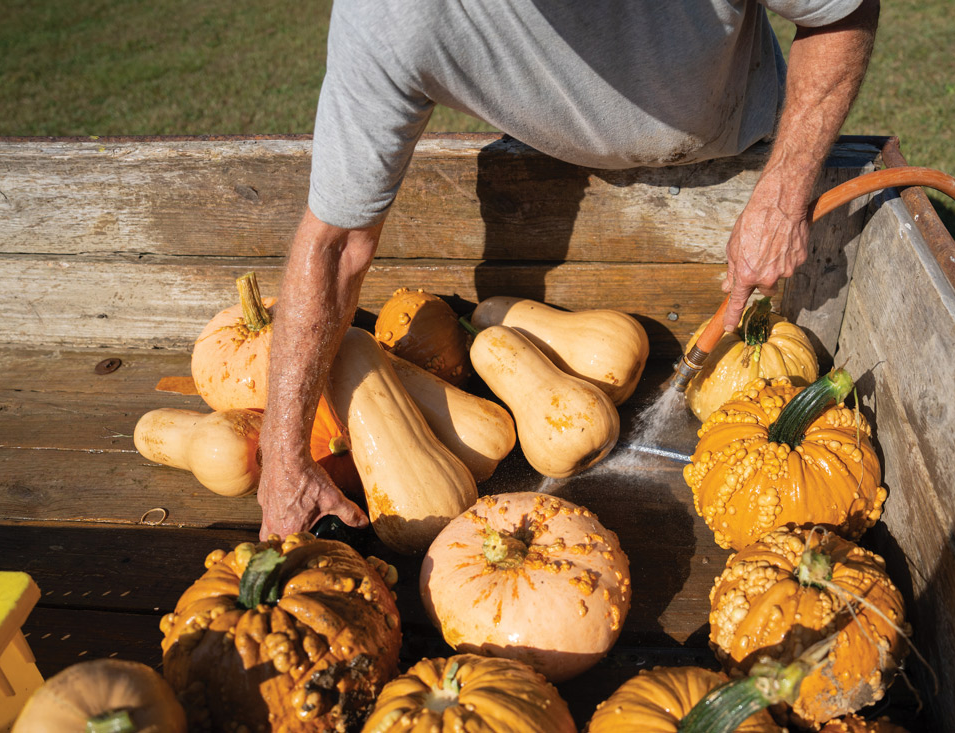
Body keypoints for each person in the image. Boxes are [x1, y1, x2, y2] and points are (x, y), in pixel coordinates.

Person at [257, 0, 880, 540]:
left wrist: (783, 191)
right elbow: (335, 245)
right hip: (555, 163)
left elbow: (842, 12)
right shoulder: (389, 18)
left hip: (749, 143)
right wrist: (284, 459)